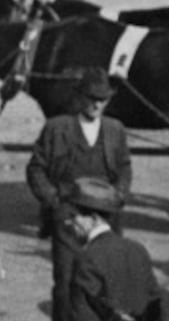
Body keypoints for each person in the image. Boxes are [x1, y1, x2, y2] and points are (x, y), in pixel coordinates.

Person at [49, 175, 168, 321]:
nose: (70, 222)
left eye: (75, 216)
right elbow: (154, 302)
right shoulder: (137, 249)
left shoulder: (87, 258)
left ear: (93, 219)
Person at [25, 92, 133, 244]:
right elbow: (35, 168)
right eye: (92, 98)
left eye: (102, 100)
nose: (97, 105)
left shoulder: (115, 129)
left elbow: (124, 168)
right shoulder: (56, 127)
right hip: (68, 210)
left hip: (105, 212)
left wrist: (119, 195)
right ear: (80, 97)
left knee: (107, 261)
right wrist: (52, 200)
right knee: (67, 265)